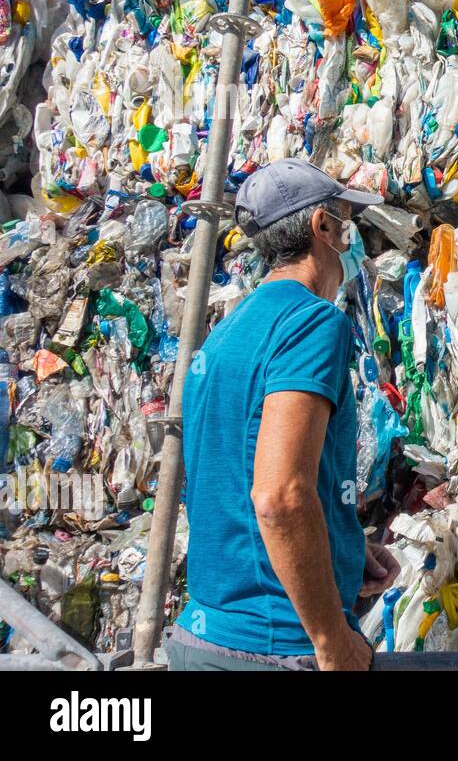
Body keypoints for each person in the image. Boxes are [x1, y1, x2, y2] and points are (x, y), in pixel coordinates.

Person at [163, 158, 400, 671]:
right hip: (271, 645)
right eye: (347, 225)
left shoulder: (224, 336)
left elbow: (234, 477)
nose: (351, 244)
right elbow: (279, 496)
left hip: (203, 636)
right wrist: (331, 637)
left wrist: (341, 548)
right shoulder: (312, 322)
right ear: (322, 227)